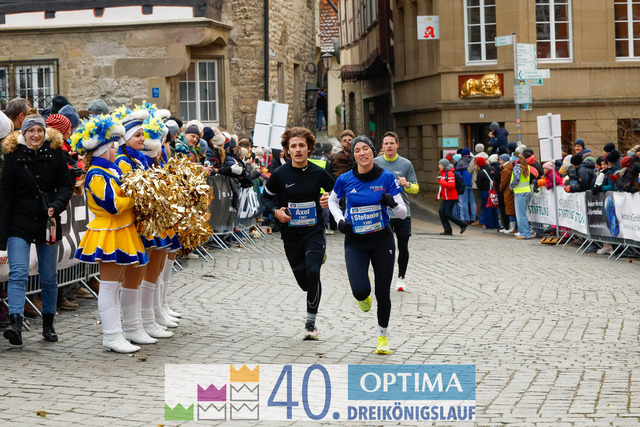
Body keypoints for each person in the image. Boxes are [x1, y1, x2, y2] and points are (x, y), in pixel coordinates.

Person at [72, 115, 149, 353]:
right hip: (108, 231)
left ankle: (125, 330)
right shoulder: (97, 174)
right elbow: (113, 205)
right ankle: (111, 335)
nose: (116, 151)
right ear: (103, 151)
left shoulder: (110, 171)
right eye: (113, 148)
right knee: (109, 286)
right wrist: (137, 197)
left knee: (115, 285)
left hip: (121, 229)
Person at [329, 135, 406, 355]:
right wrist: (340, 220)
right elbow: (333, 201)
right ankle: (363, 292)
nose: (362, 153)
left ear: (373, 151)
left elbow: (403, 213)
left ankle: (382, 337)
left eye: (365, 149)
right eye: (357, 150)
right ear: (353, 155)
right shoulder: (344, 180)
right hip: (355, 241)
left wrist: (392, 204)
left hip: (382, 240)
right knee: (361, 291)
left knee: (383, 292)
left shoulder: (387, 177)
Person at [0, 115, 73, 345]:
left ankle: (48, 325)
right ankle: (15, 324)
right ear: (23, 132)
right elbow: (5, 195)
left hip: (47, 221)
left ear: (45, 132)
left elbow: (66, 186)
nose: (35, 135)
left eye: (39, 130)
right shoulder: (13, 156)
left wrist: (56, 205)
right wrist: (2, 233)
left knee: (49, 276)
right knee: (18, 273)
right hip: (19, 222)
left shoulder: (55, 153)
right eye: (31, 131)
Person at [261, 127, 335, 340]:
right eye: (293, 146)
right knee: (305, 283)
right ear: (287, 150)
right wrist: (276, 211)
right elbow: (266, 197)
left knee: (313, 271)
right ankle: (315, 263)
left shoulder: (318, 172)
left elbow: (337, 194)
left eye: (302, 145)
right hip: (291, 235)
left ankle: (310, 324)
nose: (298, 149)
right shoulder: (279, 175)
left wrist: (328, 199)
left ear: (309, 148)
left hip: (314, 231)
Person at [374, 131, 419, 292]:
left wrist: (407, 185)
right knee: (382, 248)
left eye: (392, 143)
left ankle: (401, 277)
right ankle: (382, 277)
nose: (389, 146)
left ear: (397, 145)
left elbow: (416, 188)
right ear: (382, 146)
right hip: (383, 213)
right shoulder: (375, 163)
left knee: (403, 246)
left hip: (402, 213)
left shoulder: (406, 164)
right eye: (386, 143)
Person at [437, 159, 467, 235]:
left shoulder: (449, 173)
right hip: (446, 196)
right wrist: (438, 195)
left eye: (440, 165)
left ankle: (462, 224)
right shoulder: (443, 173)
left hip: (451, 196)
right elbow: (443, 187)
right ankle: (447, 230)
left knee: (447, 213)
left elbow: (451, 185)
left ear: (444, 166)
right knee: (441, 212)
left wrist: (441, 181)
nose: (439, 166)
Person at [510, 154, 532, 240]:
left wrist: (511, 186)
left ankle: (524, 233)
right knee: (524, 214)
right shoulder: (527, 166)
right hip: (527, 191)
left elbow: (516, 179)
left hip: (519, 192)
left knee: (520, 215)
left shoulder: (517, 167)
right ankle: (525, 232)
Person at [499, 153, 516, 233]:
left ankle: (512, 227)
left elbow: (503, 182)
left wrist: (500, 188)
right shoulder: (509, 168)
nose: (499, 161)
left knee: (509, 208)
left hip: (507, 191)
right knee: (510, 208)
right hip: (509, 190)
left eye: (500, 160)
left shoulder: (506, 170)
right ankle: (511, 227)